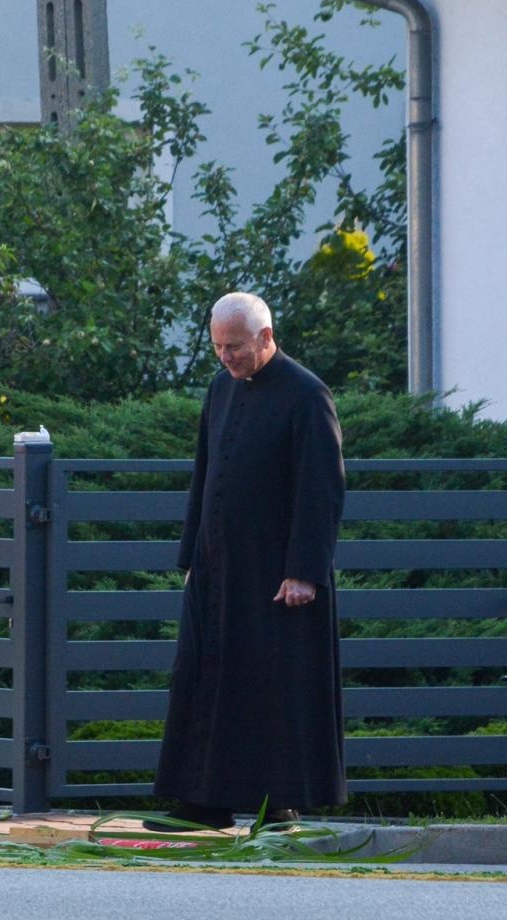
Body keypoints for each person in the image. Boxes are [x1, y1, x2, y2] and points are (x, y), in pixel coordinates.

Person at [151, 291, 347, 832]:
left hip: (275, 572)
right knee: (205, 677)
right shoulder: (220, 388)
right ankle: (203, 801)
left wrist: (304, 569)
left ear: (265, 337)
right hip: (217, 568)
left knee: (271, 683)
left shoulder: (308, 394)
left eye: (234, 346)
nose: (225, 357)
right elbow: (205, 472)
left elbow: (322, 489)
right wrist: (191, 553)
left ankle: (278, 803)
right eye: (217, 347)